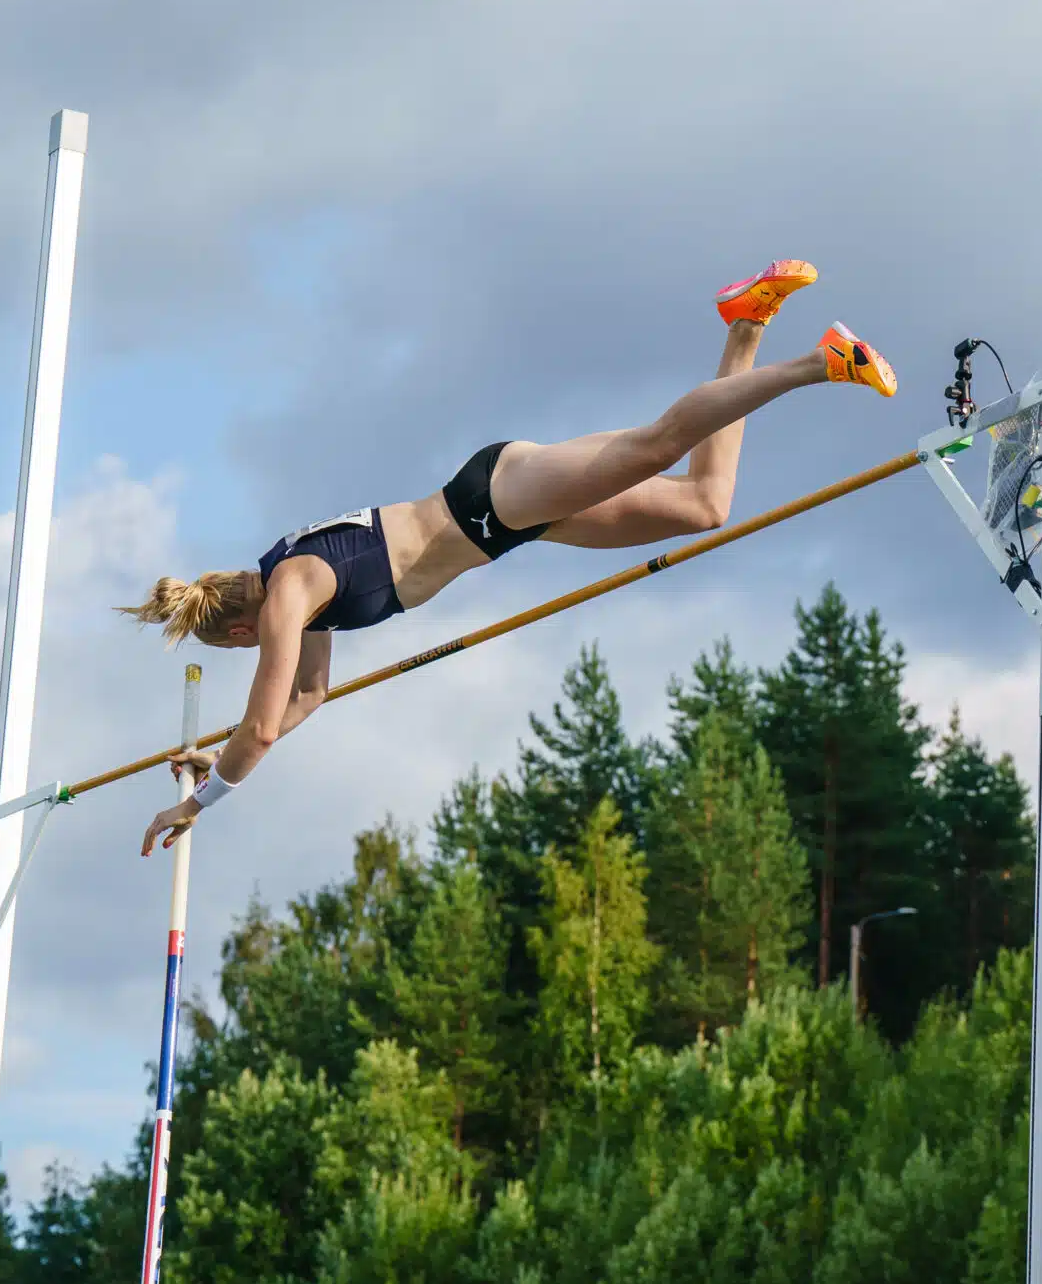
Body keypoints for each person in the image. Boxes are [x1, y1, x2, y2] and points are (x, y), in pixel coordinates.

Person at [124, 260, 896, 854]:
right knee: (705, 504)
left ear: (236, 631)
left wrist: (199, 802)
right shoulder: (295, 582)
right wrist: (217, 756)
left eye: (246, 648)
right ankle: (746, 323)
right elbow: (306, 699)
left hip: (493, 498)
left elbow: (261, 726)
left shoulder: (290, 590)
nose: (260, 652)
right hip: (511, 525)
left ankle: (821, 362)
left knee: (659, 443)